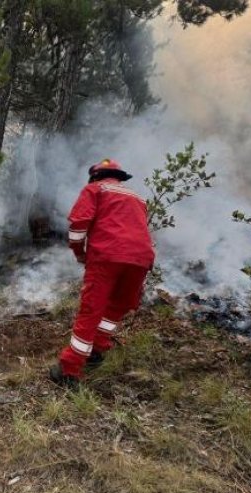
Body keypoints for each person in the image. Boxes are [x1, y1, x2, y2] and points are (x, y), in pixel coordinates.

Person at [49, 159, 155, 387]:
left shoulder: (95, 189)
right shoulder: (138, 198)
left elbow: (78, 226)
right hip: (141, 259)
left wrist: (80, 253)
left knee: (91, 310)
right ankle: (97, 349)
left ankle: (69, 369)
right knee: (116, 307)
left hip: (108, 256)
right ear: (119, 177)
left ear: (95, 176)